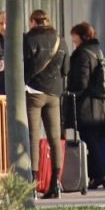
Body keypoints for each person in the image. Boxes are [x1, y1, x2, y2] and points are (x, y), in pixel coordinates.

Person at [66, 21, 105, 190]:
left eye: (74, 35)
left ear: (82, 36)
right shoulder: (97, 51)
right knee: (101, 142)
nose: (72, 39)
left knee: (90, 143)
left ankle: (98, 176)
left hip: (89, 109)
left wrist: (70, 94)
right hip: (103, 106)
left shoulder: (83, 54)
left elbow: (82, 81)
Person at [24, 10, 68, 198]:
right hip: (54, 93)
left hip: (34, 92)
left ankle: (32, 186)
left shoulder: (28, 39)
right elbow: (66, 69)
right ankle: (55, 184)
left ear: (33, 22)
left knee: (33, 138)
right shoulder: (61, 40)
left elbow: (23, 65)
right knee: (55, 139)